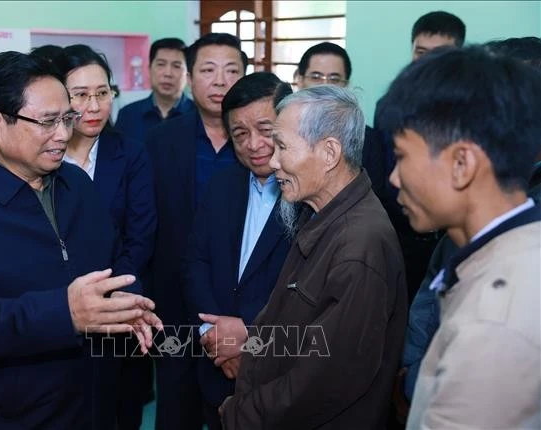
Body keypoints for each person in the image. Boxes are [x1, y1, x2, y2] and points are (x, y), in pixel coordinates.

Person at [0, 51, 162, 429]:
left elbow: (115, 260)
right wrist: (64, 313)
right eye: (47, 122)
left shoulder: (77, 186)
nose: (63, 134)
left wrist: (124, 299)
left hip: (97, 403)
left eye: (66, 118)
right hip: (12, 415)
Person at [220, 85, 408, 429]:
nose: (272, 160)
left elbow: (323, 382)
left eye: (282, 147)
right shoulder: (320, 214)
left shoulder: (359, 246)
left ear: (329, 153)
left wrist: (241, 414)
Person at [379, 45, 541, 429]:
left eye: (402, 157)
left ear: (461, 164)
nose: (393, 178)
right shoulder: (506, 252)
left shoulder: (494, 324)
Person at [51, 43, 157, 430]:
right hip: (56, 309)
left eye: (102, 93)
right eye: (80, 95)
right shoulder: (44, 155)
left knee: (119, 408)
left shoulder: (130, 154)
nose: (94, 106)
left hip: (118, 306)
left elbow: (140, 234)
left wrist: (115, 294)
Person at [146, 32, 247, 430]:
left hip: (244, 309)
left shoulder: (262, 143)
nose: (220, 81)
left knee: (239, 411)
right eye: (208, 70)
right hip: (175, 305)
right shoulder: (158, 141)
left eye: (231, 71)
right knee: (175, 408)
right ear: (190, 76)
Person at [183, 72, 293, 429]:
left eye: (266, 129)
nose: (254, 144)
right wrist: (214, 339)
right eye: (240, 134)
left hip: (280, 372)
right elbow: (195, 263)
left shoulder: (307, 197)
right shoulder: (221, 185)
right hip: (216, 366)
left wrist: (248, 339)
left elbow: (303, 292)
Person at [374, 11, 467, 304]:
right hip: (398, 238)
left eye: (438, 54)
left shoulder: (472, 110)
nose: (427, 63)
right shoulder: (388, 105)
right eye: (420, 52)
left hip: (450, 238)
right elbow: (382, 176)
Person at [296, 42, 386, 201]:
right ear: (300, 80)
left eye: (334, 78)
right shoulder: (283, 133)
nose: (325, 86)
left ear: (346, 86)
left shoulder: (368, 140)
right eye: (316, 77)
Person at [115, 37, 195, 143]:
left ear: (188, 74)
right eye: (161, 64)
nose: (168, 73)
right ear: (149, 69)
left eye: (176, 66)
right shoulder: (127, 115)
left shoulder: (199, 115)